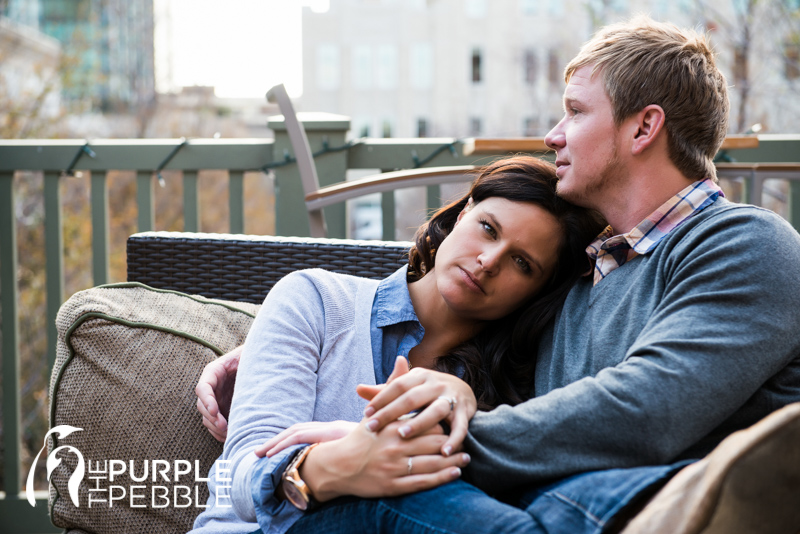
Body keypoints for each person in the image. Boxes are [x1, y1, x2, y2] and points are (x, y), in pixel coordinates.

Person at [198, 16, 800, 534]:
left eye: (575, 112)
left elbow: (650, 409)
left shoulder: (743, 242)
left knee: (388, 490)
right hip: (547, 510)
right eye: (485, 230)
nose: (552, 136)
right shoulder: (583, 286)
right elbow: (437, 296)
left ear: (643, 128)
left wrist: (413, 446)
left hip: (650, 509)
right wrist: (259, 339)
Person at [190, 156, 606, 533]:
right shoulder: (315, 299)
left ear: (537, 292)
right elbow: (242, 480)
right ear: (463, 214)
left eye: (522, 263)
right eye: (488, 228)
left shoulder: (514, 387)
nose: (489, 261)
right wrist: (344, 461)